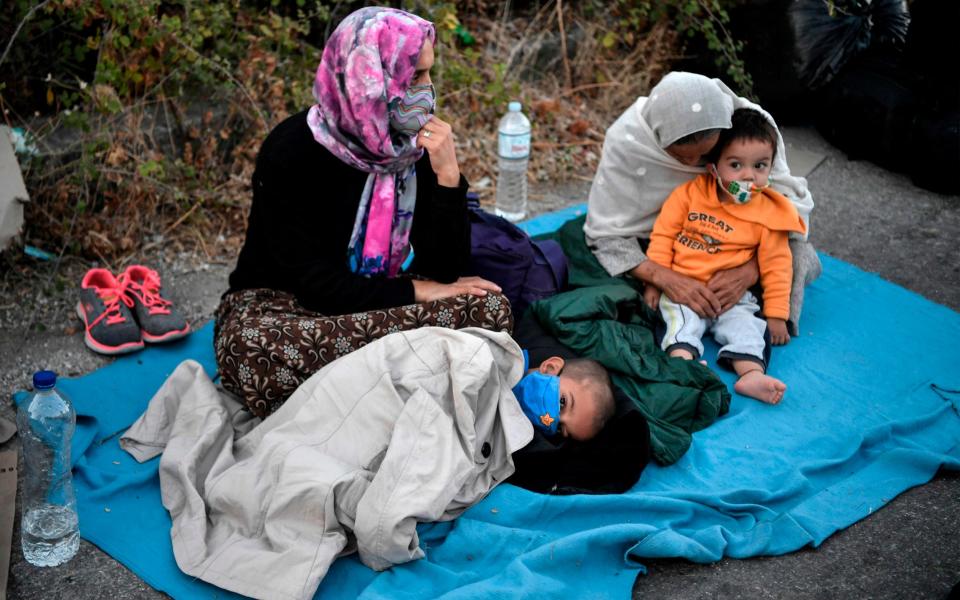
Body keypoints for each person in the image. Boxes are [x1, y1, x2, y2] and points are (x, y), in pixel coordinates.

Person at [214, 7, 511, 418]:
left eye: (429, 74)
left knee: (491, 310)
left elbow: (447, 269)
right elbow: (314, 284)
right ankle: (400, 375)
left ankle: (359, 385)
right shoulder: (290, 151)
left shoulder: (411, 147)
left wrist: (447, 175)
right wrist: (416, 293)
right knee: (251, 349)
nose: (428, 91)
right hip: (287, 306)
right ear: (369, 81)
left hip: (372, 305)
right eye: (414, 77)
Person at [583, 71, 820, 334]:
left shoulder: (750, 130)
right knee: (600, 278)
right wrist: (663, 277)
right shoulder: (629, 143)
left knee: (797, 256)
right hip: (669, 244)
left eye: (705, 156)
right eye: (679, 157)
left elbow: (783, 206)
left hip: (746, 243)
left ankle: (747, 310)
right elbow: (605, 234)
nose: (694, 167)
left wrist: (749, 271)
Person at [643, 108, 806, 404]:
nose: (748, 176)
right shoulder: (688, 196)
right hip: (684, 288)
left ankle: (751, 375)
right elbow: (663, 238)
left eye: (760, 166)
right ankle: (684, 366)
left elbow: (777, 266)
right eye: (735, 165)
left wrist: (777, 314)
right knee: (679, 325)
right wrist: (656, 283)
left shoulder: (769, 212)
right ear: (713, 167)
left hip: (733, 298)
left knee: (748, 328)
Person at [512, 351, 616, 441]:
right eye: (562, 403)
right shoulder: (507, 358)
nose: (551, 420)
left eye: (560, 428)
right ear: (550, 368)